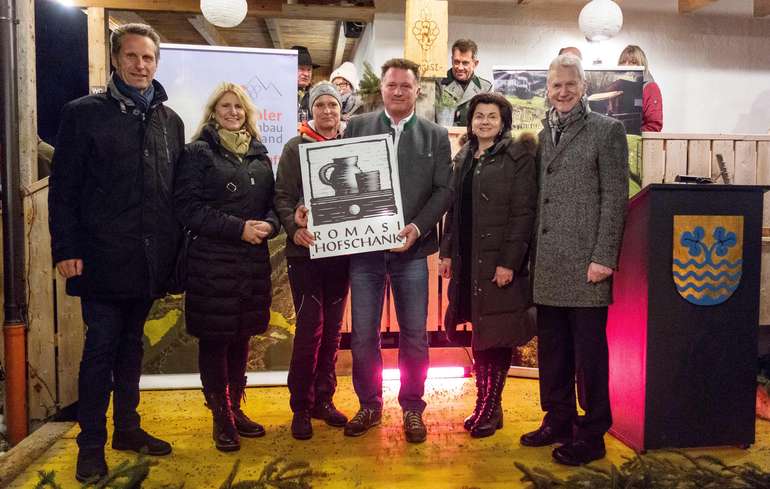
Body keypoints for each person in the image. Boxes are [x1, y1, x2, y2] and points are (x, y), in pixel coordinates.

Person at [48, 23, 184, 482]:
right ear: (115, 60)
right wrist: (65, 247)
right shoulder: (83, 113)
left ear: (156, 63)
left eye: (148, 58)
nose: (140, 65)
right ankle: (90, 445)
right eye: (132, 57)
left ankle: (127, 428)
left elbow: (171, 194)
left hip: (148, 261)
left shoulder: (171, 122)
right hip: (101, 257)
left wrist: (174, 255)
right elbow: (63, 189)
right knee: (99, 350)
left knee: (131, 350)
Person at [520, 54, 628, 465]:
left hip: (587, 265)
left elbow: (614, 199)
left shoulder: (607, 131)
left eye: (570, 84)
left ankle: (593, 432)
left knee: (589, 355)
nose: (562, 92)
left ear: (583, 86)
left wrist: (604, 257)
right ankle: (558, 419)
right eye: (555, 85)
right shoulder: (544, 135)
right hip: (549, 264)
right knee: (553, 350)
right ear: (547, 90)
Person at [342, 58, 452, 443]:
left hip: (412, 251)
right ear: (382, 89)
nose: (398, 91)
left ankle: (412, 408)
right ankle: (369, 404)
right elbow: (341, 181)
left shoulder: (435, 135)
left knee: (414, 334)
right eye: (392, 85)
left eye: (406, 86)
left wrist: (418, 227)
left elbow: (444, 190)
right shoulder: (356, 127)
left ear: (417, 89)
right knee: (363, 335)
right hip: (365, 252)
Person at [174, 82, 279, 452]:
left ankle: (236, 408)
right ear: (214, 112)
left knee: (241, 336)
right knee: (215, 339)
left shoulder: (260, 156)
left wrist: (271, 224)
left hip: (251, 263)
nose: (233, 112)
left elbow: (273, 203)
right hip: (211, 262)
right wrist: (239, 229)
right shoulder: (198, 153)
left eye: (238, 106)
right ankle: (221, 417)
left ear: (247, 113)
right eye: (225, 106)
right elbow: (187, 208)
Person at [439, 93, 537, 438]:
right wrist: (447, 252)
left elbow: (523, 213)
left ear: (503, 121)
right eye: (478, 116)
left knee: (498, 336)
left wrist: (510, 262)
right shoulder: (465, 155)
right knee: (482, 333)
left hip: (498, 263)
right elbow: (454, 211)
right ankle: (487, 405)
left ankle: (489, 405)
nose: (484, 122)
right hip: (469, 262)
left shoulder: (517, 156)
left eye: (491, 116)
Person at [275, 82, 350, 440]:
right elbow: (282, 196)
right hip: (305, 253)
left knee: (334, 330)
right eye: (319, 105)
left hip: (340, 253)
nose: (326, 111)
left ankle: (324, 399)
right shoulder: (295, 147)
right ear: (310, 111)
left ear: (340, 111)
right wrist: (293, 227)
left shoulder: (349, 146)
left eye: (332, 105)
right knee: (310, 330)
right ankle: (300, 407)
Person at [436, 39, 492, 126]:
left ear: (475, 64)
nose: (460, 67)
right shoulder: (438, 84)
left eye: (465, 63)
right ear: (451, 60)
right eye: (456, 62)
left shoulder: (485, 89)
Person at [618, 45, 663, 132]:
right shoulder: (620, 85)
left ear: (642, 65)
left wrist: (633, 134)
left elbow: (654, 125)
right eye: (623, 62)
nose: (626, 65)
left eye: (633, 62)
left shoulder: (650, 87)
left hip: (639, 142)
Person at [293, 45, 319, 123]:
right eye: (301, 69)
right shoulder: (279, 94)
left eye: (309, 70)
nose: (306, 74)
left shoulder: (315, 95)